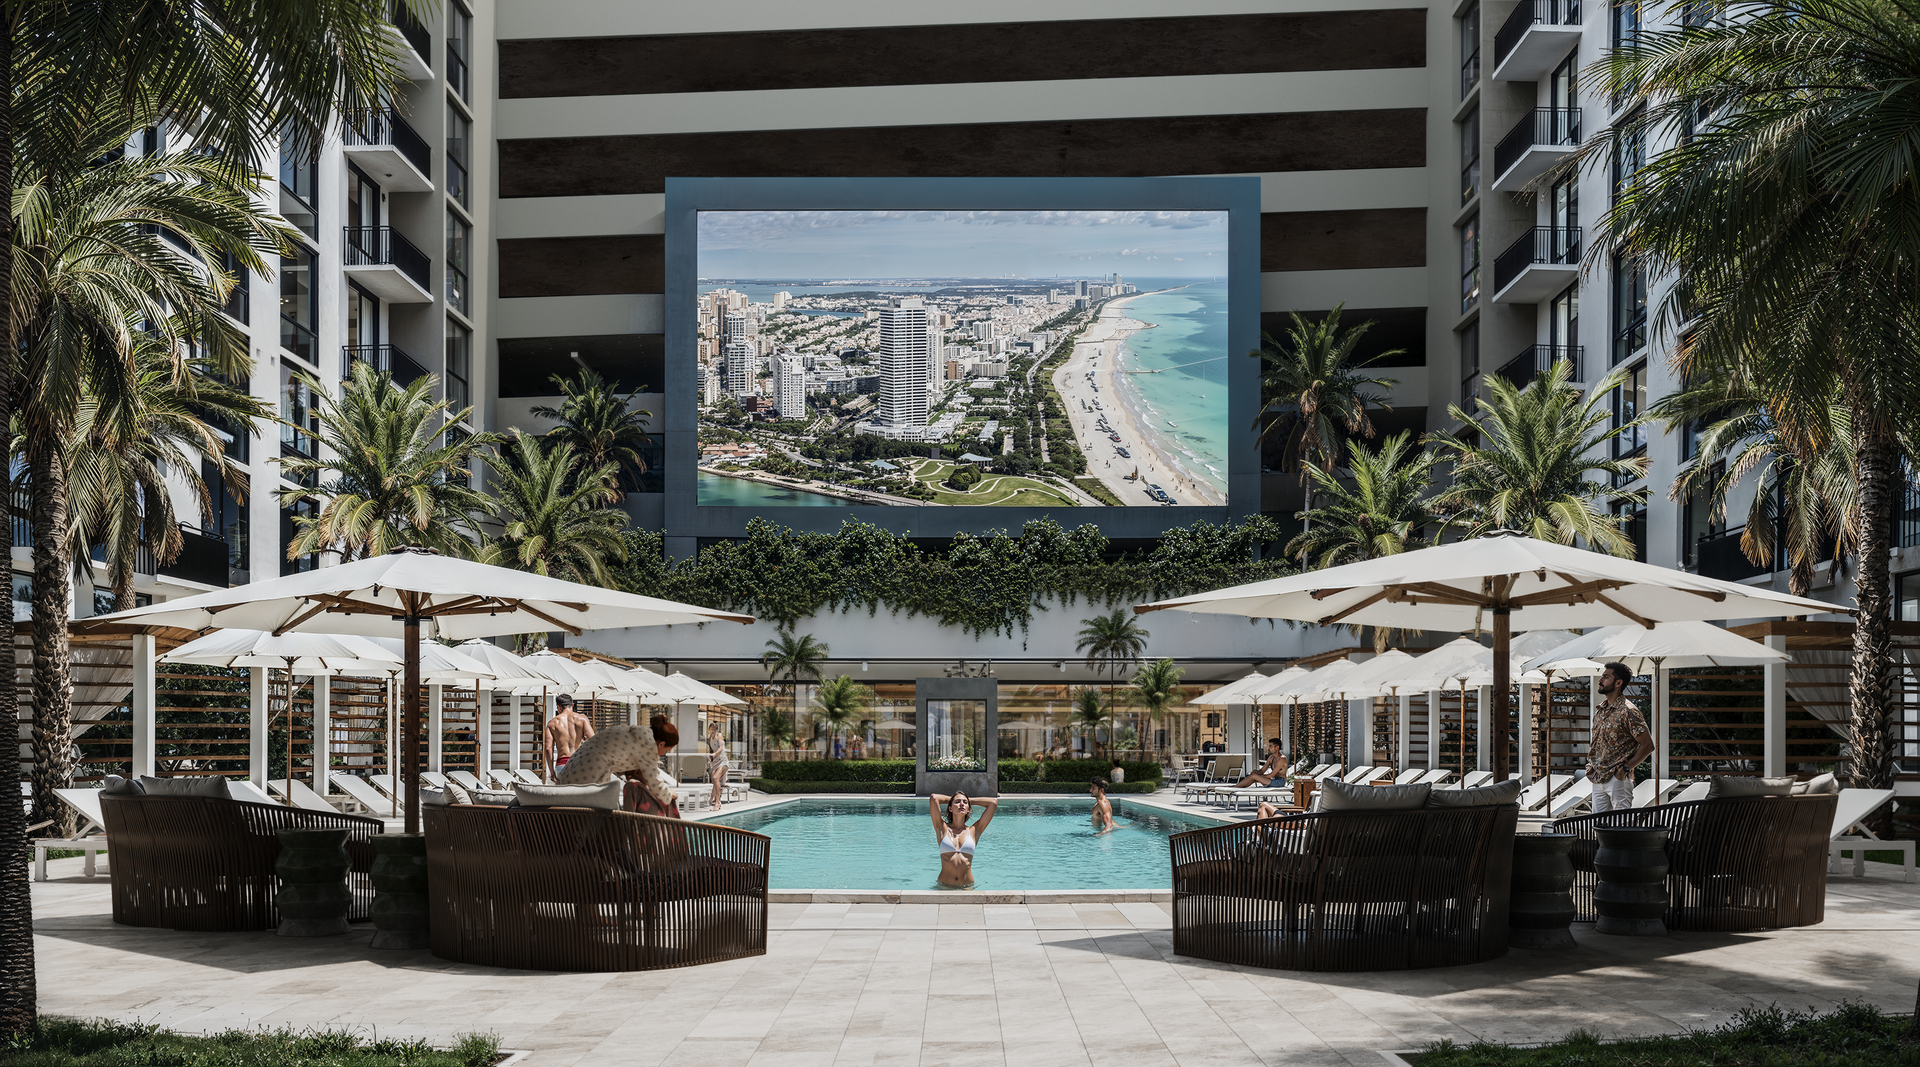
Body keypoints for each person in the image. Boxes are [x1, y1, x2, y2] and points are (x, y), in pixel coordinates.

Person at [1589, 662, 1654, 813]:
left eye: (1606, 677)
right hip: (1598, 777)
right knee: (1598, 827)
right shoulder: (1600, 711)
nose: (1600, 680)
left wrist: (1625, 769)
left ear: (1618, 683)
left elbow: (1648, 745)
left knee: (1621, 827)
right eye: (1602, 676)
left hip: (1618, 779)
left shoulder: (1629, 711)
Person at [929, 790, 999, 887]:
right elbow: (934, 798)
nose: (961, 804)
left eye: (965, 803)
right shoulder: (942, 828)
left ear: (968, 809)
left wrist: (967, 801)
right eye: (957, 802)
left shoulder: (974, 831)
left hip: (967, 886)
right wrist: (955, 799)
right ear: (950, 808)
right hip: (944, 886)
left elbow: (993, 803)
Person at [624, 715, 682, 818]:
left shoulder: (640, 745)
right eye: (666, 750)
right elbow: (629, 816)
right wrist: (669, 793)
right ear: (661, 744)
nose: (664, 754)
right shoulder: (633, 786)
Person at [542, 694, 593, 782]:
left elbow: (548, 749)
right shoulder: (582, 719)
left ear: (558, 707)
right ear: (572, 705)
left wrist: (552, 772)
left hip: (561, 764)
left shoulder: (551, 724)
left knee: (562, 794)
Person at [706, 718, 729, 809]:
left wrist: (715, 754)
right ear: (709, 729)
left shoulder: (719, 735)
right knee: (714, 781)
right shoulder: (709, 739)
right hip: (715, 761)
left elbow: (721, 747)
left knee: (716, 778)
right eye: (712, 729)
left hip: (723, 761)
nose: (713, 730)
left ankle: (718, 802)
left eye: (715, 729)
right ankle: (712, 796)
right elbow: (712, 749)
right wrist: (709, 757)